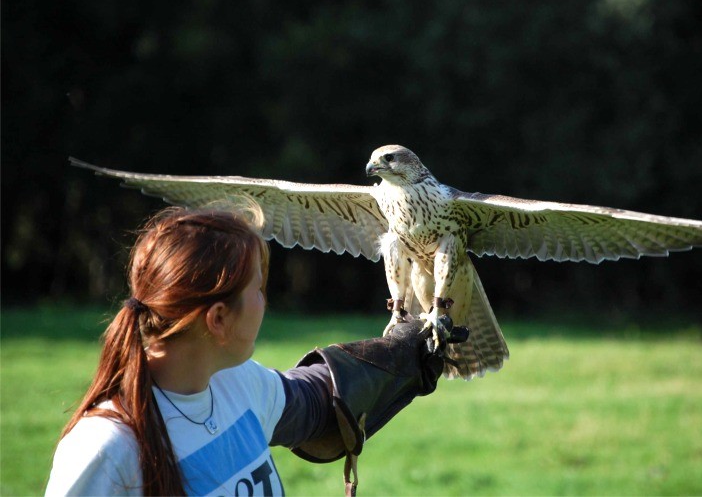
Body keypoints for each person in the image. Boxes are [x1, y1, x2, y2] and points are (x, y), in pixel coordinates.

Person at [45, 206, 461, 496]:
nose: (266, 302)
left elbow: (317, 402)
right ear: (219, 319)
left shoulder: (236, 386)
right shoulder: (106, 448)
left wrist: (401, 353)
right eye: (258, 289)